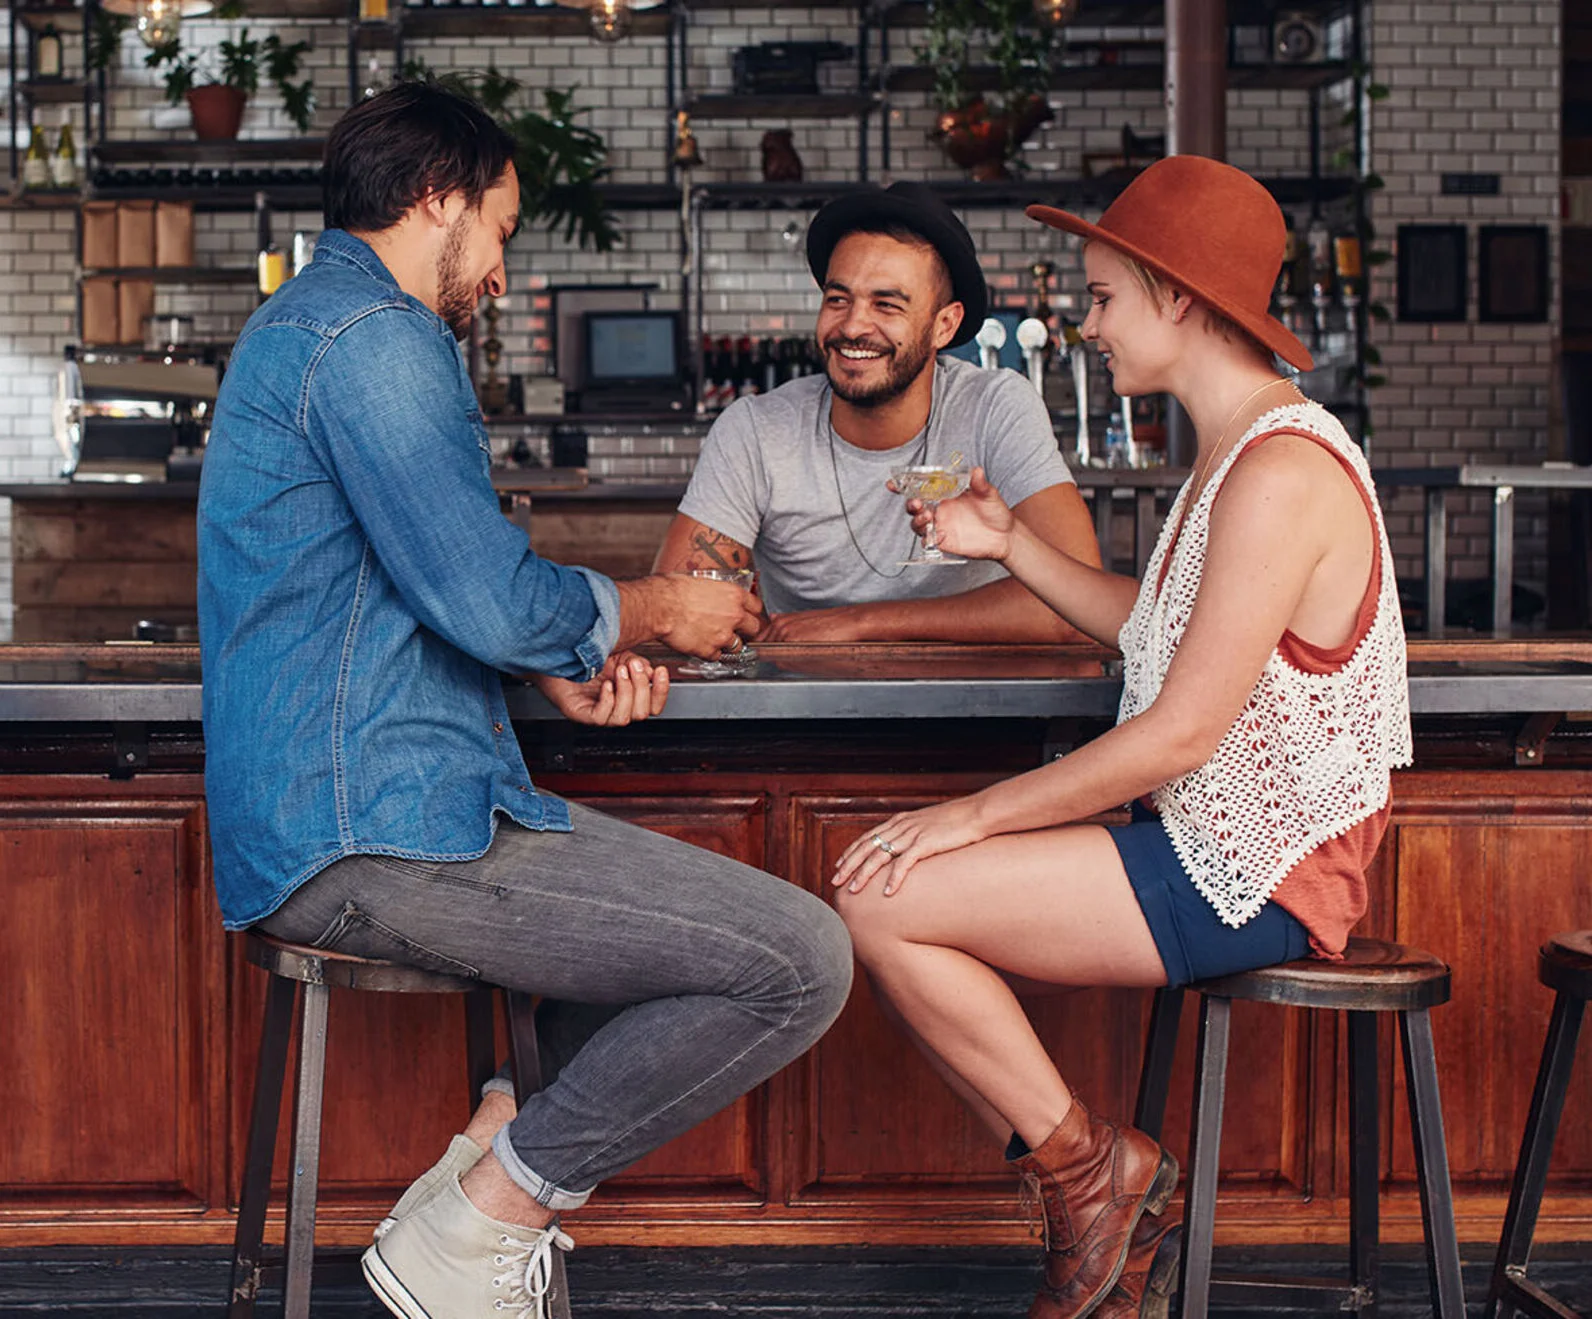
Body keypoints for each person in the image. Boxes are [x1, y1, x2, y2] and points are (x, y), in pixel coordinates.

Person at [197, 82, 852, 1319]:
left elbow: (415, 583)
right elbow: (484, 592)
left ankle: (479, 1167)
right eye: (497, 227)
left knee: (668, 949)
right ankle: (486, 1213)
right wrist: (660, 606)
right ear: (435, 198)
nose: (498, 269)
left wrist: (542, 652)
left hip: (361, 806)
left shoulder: (308, 322)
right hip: (375, 825)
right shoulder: (378, 337)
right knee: (800, 958)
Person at [830, 155, 1412, 1319]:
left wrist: (967, 811)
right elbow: (1150, 632)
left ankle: (1092, 1173)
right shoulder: (1236, 453)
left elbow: (1179, 732)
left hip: (1259, 871)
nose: (1083, 323)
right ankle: (1090, 1171)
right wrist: (1008, 544)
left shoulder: (1280, 470)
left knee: (885, 893)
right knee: (879, 887)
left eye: (1101, 297)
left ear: (1176, 297)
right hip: (1207, 846)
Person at [653, 181, 1102, 643]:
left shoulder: (994, 406)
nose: (852, 326)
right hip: (801, 708)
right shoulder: (757, 429)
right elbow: (678, 609)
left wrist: (860, 623)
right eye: (838, 299)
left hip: (977, 707)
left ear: (943, 325)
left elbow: (1076, 606)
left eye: (886, 304)